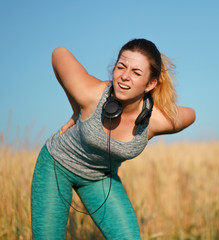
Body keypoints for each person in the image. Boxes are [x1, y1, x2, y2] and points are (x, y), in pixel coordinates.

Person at [31, 38, 196, 239]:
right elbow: (59, 52)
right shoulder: (89, 94)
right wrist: (76, 109)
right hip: (57, 166)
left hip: (100, 178)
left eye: (136, 73)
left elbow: (191, 114)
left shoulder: (154, 121)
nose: (125, 76)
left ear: (150, 83)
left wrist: (159, 104)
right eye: (121, 67)